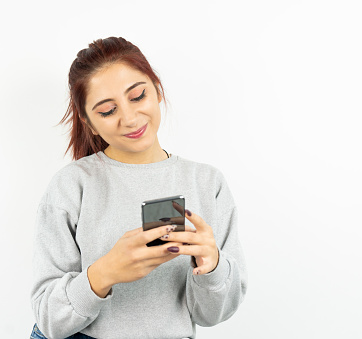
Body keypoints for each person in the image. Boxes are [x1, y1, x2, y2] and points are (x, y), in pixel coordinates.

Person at [29, 36, 247, 339]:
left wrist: (212, 266)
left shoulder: (207, 183)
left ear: (156, 89)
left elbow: (213, 315)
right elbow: (49, 319)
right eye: (107, 111)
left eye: (138, 96)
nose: (129, 119)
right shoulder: (71, 185)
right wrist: (105, 273)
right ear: (89, 122)